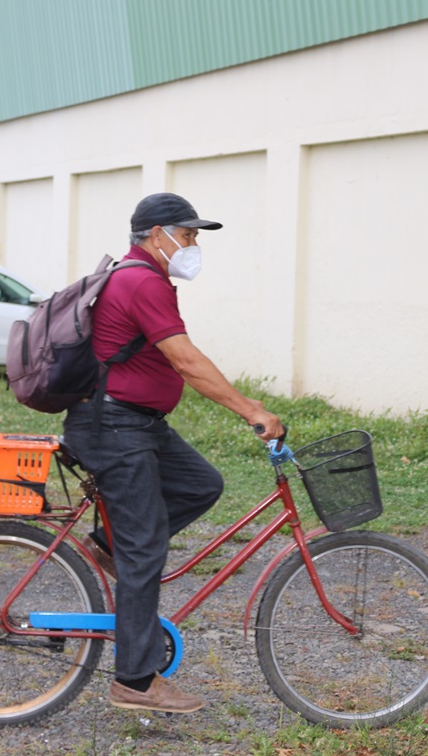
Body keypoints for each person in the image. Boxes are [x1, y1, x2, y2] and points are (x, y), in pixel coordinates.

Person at [62, 192, 283, 714]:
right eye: (187, 235)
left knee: (202, 483)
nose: (193, 245)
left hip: (134, 422)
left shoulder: (145, 278)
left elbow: (174, 361)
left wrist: (245, 402)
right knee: (146, 551)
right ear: (156, 234)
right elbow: (185, 361)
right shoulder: (140, 280)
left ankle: (104, 546)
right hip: (114, 427)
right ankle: (135, 681)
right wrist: (248, 410)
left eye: (195, 236)